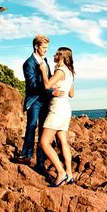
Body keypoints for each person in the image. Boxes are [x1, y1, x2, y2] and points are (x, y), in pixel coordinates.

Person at [16, 35, 63, 171]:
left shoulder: (45, 60)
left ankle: (41, 162)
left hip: (46, 101)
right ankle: (26, 155)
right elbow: (33, 85)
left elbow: (47, 80)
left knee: (44, 129)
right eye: (44, 47)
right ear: (36, 47)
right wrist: (51, 92)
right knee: (31, 126)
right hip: (35, 100)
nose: (46, 50)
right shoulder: (28, 63)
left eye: (47, 48)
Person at [39, 46, 76, 187]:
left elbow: (47, 85)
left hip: (57, 109)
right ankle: (70, 175)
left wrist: (43, 71)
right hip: (66, 109)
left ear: (61, 56)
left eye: (56, 53)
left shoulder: (60, 71)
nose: (54, 55)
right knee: (63, 142)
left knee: (44, 142)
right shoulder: (70, 72)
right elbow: (71, 94)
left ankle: (61, 173)